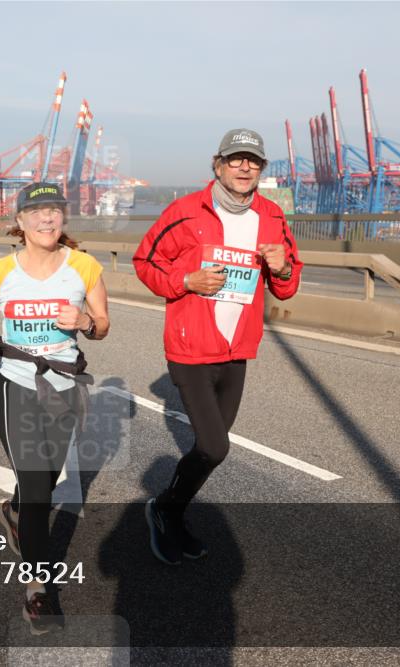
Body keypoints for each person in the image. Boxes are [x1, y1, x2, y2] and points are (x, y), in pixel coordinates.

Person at [132, 128, 303, 565]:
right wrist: (184, 281)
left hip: (236, 349)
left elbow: (286, 287)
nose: (245, 167)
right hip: (190, 350)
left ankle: (169, 511)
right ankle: (164, 509)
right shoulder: (186, 212)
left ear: (261, 169)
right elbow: (145, 261)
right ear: (218, 164)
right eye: (236, 159)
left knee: (211, 449)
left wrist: (282, 269)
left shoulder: (272, 217)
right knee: (215, 447)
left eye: (253, 161)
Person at [0, 182, 109, 634]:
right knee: (36, 482)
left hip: (63, 384)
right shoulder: (0, 270)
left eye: (55, 211)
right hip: (15, 381)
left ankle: (15, 512)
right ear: (21, 221)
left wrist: (86, 321)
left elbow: (103, 325)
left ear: (63, 219)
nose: (47, 219)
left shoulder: (84, 267)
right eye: (38, 211)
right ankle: (38, 590)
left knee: (44, 477)